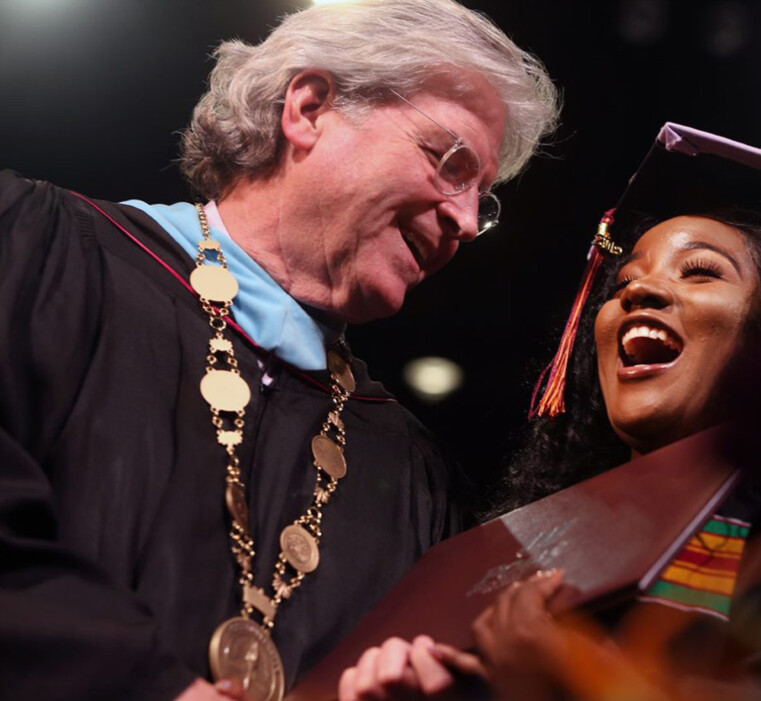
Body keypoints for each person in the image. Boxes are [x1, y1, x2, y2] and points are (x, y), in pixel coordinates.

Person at [340, 123, 761, 700]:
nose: (639, 295)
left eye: (700, 271)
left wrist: (591, 684)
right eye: (624, 282)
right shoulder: (551, 547)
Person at [0, 2, 558, 700]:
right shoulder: (35, 251)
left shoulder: (416, 479)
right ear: (309, 108)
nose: (468, 221)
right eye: (450, 163)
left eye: (484, 197)